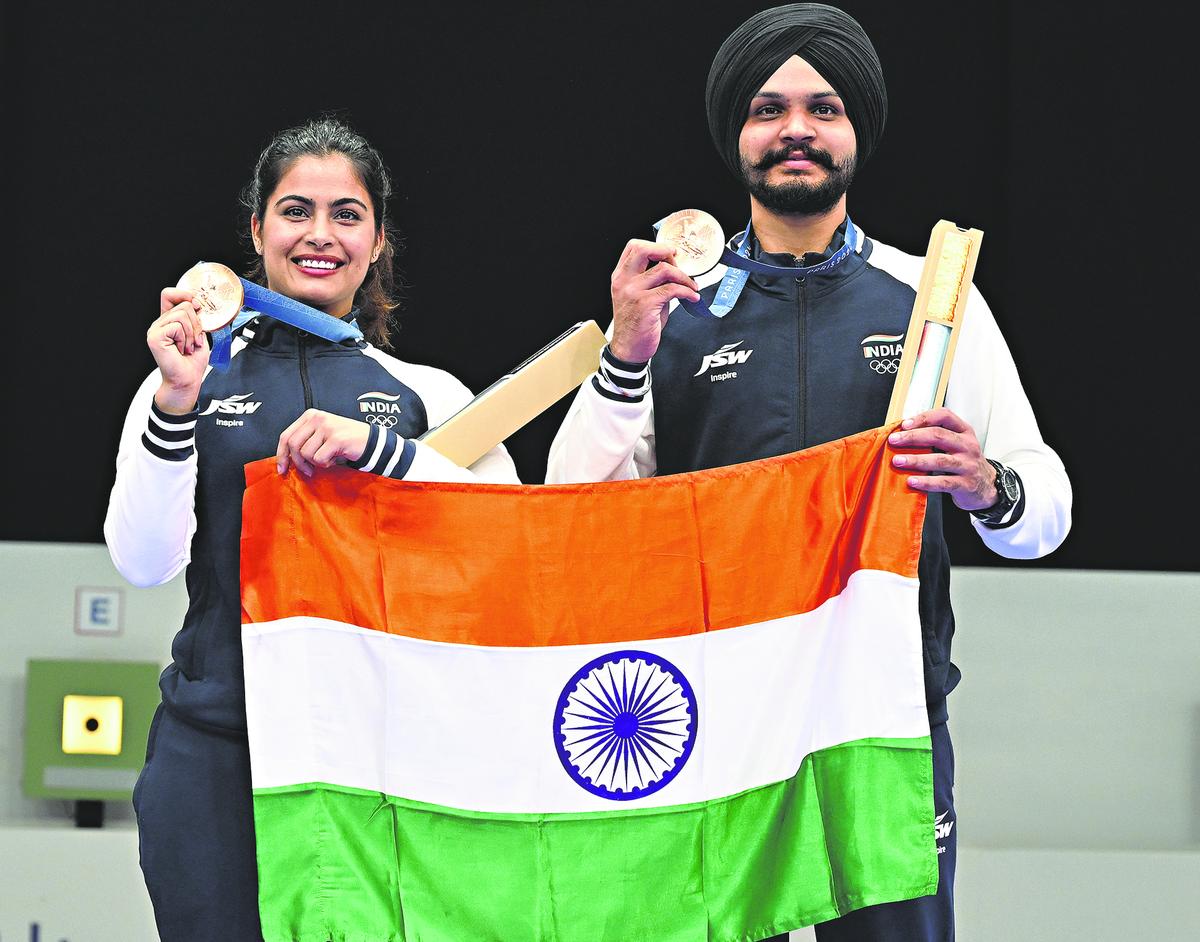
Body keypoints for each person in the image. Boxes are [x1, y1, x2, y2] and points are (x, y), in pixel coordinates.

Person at [546, 4, 1072, 940]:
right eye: (768, 108)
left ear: (855, 131)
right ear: (736, 136)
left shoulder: (933, 299)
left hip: (882, 713)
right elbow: (575, 511)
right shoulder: (670, 308)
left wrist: (989, 483)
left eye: (823, 107)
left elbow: (1044, 510)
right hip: (706, 714)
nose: (796, 128)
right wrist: (626, 350)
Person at [105, 117, 519, 941]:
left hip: (385, 753)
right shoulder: (181, 383)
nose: (319, 235)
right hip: (216, 751)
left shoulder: (423, 394)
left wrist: (388, 454)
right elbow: (143, 562)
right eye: (295, 211)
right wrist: (176, 402)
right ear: (255, 231)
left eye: (346, 214)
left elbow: (505, 547)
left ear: (376, 239)